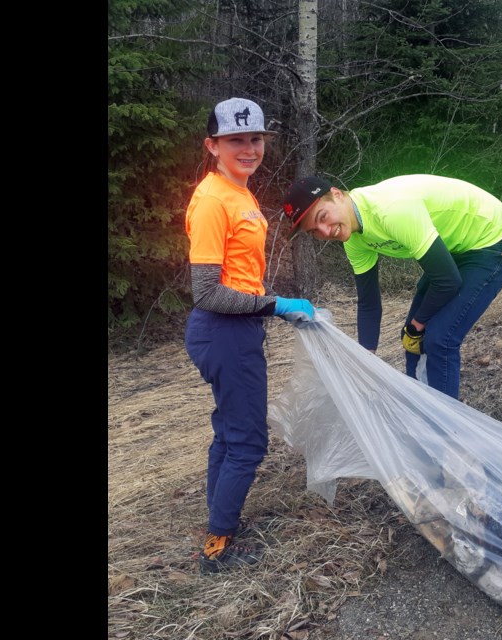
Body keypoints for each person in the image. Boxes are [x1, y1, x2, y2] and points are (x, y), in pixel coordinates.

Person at [184, 97, 316, 574]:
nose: (248, 148)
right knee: (247, 443)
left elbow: (240, 278)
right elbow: (207, 293)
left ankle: (217, 524)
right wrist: (275, 305)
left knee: (229, 431)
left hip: (237, 329)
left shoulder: (240, 193)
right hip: (223, 331)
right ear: (212, 145)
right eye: (235, 139)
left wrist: (271, 300)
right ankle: (217, 547)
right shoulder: (213, 200)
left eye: (255, 138)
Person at [282, 174, 502, 400]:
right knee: (411, 338)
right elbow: (368, 304)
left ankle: (446, 435)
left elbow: (448, 282)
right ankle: (422, 413)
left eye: (322, 217)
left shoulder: (390, 209)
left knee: (439, 338)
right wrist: (367, 359)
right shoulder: (353, 240)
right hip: (457, 247)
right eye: (314, 231)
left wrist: (419, 323)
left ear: (337, 194)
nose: (324, 231)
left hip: (493, 239)